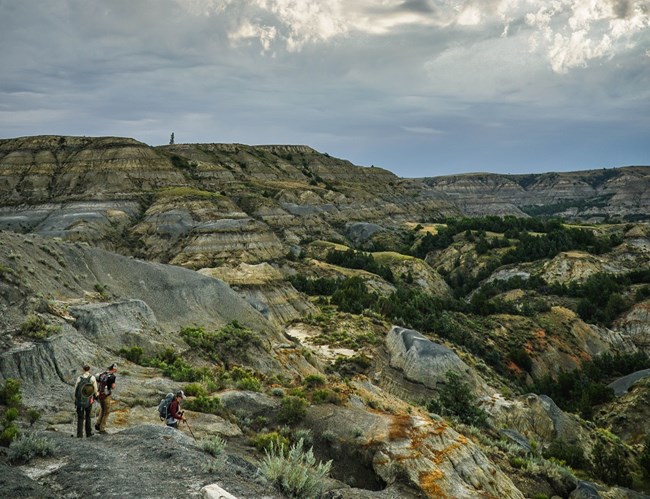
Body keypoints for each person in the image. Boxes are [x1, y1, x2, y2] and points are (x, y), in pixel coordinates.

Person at [74, 365, 98, 438]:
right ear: (89, 369)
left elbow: (75, 389)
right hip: (88, 401)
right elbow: (95, 390)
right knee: (88, 417)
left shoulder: (79, 378)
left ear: (83, 370)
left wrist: (76, 399)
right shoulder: (92, 378)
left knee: (80, 417)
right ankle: (88, 433)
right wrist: (96, 395)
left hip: (80, 401)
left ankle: (79, 434)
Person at [95, 363, 117, 434]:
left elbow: (97, 380)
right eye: (116, 368)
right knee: (107, 411)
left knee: (102, 409)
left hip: (100, 394)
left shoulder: (103, 373)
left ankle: (98, 424)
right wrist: (112, 385)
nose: (116, 370)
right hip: (106, 395)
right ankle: (102, 429)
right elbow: (113, 387)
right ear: (114, 369)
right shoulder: (112, 377)